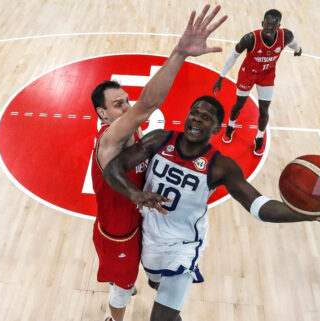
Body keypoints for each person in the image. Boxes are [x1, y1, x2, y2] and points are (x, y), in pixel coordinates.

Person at [102, 96, 320, 321]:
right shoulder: (159, 140)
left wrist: (306, 213)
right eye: (194, 112)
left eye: (206, 117)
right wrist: (138, 194)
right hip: (151, 240)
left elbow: (259, 207)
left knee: (160, 317)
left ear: (217, 128)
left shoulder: (221, 167)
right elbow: (113, 168)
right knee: (159, 292)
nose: (197, 118)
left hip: (183, 248)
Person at [90, 5, 227, 321]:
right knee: (122, 288)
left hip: (140, 224)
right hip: (118, 233)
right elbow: (148, 105)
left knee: (153, 275)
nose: (127, 106)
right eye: (118, 104)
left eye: (126, 100)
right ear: (102, 114)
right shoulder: (110, 139)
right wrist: (179, 53)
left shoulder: (131, 133)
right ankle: (114, 318)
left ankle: (141, 280)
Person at [212, 9, 302, 156]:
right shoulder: (250, 38)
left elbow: (294, 44)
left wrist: (298, 50)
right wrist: (221, 77)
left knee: (264, 110)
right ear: (262, 23)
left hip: (266, 76)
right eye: (267, 25)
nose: (269, 28)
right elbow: (233, 56)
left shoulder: (285, 36)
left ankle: (259, 137)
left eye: (273, 26)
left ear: (279, 26)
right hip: (248, 74)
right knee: (239, 104)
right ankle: (231, 126)